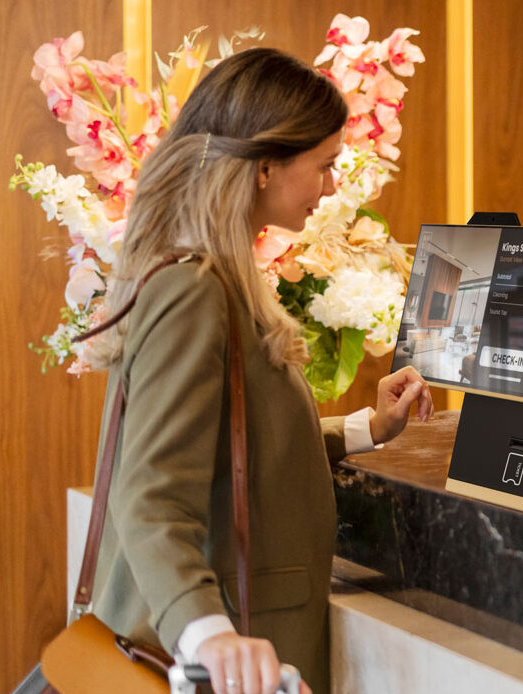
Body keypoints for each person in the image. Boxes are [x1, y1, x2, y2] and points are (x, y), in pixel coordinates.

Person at [84, 47, 433, 694]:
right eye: (325, 165)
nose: (333, 186)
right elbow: (152, 497)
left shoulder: (218, 280)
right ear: (266, 166)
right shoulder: (194, 291)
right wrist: (208, 634)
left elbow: (244, 454)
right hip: (220, 654)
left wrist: (367, 429)